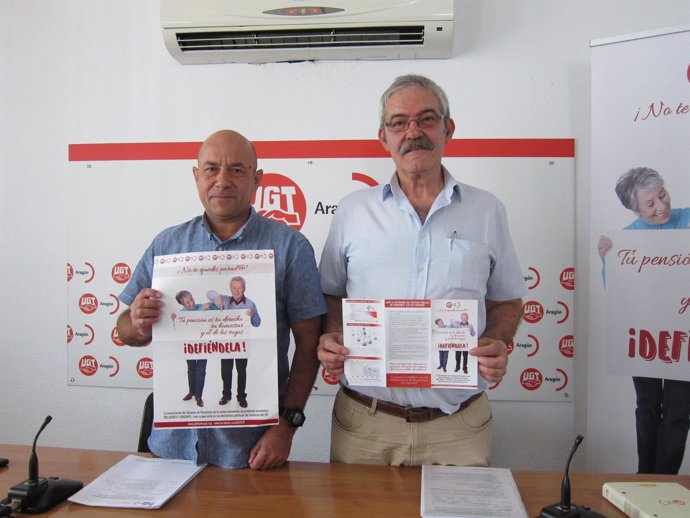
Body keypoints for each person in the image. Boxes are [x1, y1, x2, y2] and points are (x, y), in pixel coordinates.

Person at [318, 74, 526, 467]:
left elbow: (508, 298)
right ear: (383, 136)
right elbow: (330, 291)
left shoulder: (487, 210)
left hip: (458, 426)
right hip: (365, 423)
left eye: (426, 119)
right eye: (399, 122)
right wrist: (333, 334)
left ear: (448, 128)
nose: (413, 131)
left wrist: (497, 340)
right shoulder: (352, 211)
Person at [117, 129, 326, 470]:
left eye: (237, 170)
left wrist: (287, 426)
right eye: (211, 169)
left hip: (252, 450)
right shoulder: (167, 245)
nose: (222, 180)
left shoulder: (290, 247)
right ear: (196, 176)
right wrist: (138, 321)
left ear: (257, 179)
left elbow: (308, 344)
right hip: (170, 449)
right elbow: (126, 331)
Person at [597, 166, 690, 474]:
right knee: (647, 407)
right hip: (644, 336)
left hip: (683, 335)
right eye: (650, 204)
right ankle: (645, 476)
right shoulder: (626, 239)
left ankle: (664, 480)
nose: (662, 206)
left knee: (679, 412)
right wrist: (607, 258)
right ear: (634, 209)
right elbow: (617, 291)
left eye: (662, 195)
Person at [215, 276, 261, 408]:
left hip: (241, 343)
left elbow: (257, 324)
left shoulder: (251, 304)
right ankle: (226, 395)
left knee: (241, 371)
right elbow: (210, 294)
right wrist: (216, 297)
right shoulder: (224, 300)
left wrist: (254, 316)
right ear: (230, 289)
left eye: (239, 288)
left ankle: (241, 397)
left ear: (244, 289)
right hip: (225, 343)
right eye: (234, 288)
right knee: (226, 371)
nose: (236, 291)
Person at [173, 290, 219, 407]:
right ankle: (191, 392)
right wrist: (175, 320)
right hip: (189, 346)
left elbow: (218, 309)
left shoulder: (201, 307)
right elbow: (177, 330)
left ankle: (199, 396)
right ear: (183, 305)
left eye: (192, 300)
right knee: (191, 370)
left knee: (201, 371)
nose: (191, 303)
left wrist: (210, 305)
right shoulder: (181, 314)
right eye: (188, 302)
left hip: (203, 345)